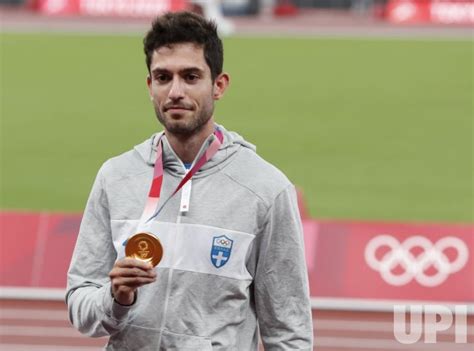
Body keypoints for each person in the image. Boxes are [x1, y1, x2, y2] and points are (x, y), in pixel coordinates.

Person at [66, 11, 313, 350]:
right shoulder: (116, 177)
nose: (176, 91)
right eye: (163, 77)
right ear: (150, 86)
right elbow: (81, 307)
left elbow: (289, 332)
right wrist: (116, 297)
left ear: (219, 85)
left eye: (191, 76)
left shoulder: (266, 190)